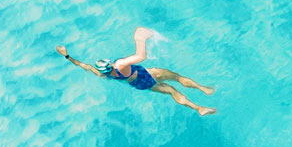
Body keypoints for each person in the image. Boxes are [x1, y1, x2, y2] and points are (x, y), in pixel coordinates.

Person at [56, 26, 215, 116]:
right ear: (110, 63)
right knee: (176, 78)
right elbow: (140, 56)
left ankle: (198, 108)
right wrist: (140, 38)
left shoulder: (103, 74)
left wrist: (67, 55)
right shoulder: (120, 65)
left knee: (171, 91)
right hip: (146, 74)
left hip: (142, 85)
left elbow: (83, 66)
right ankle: (203, 89)